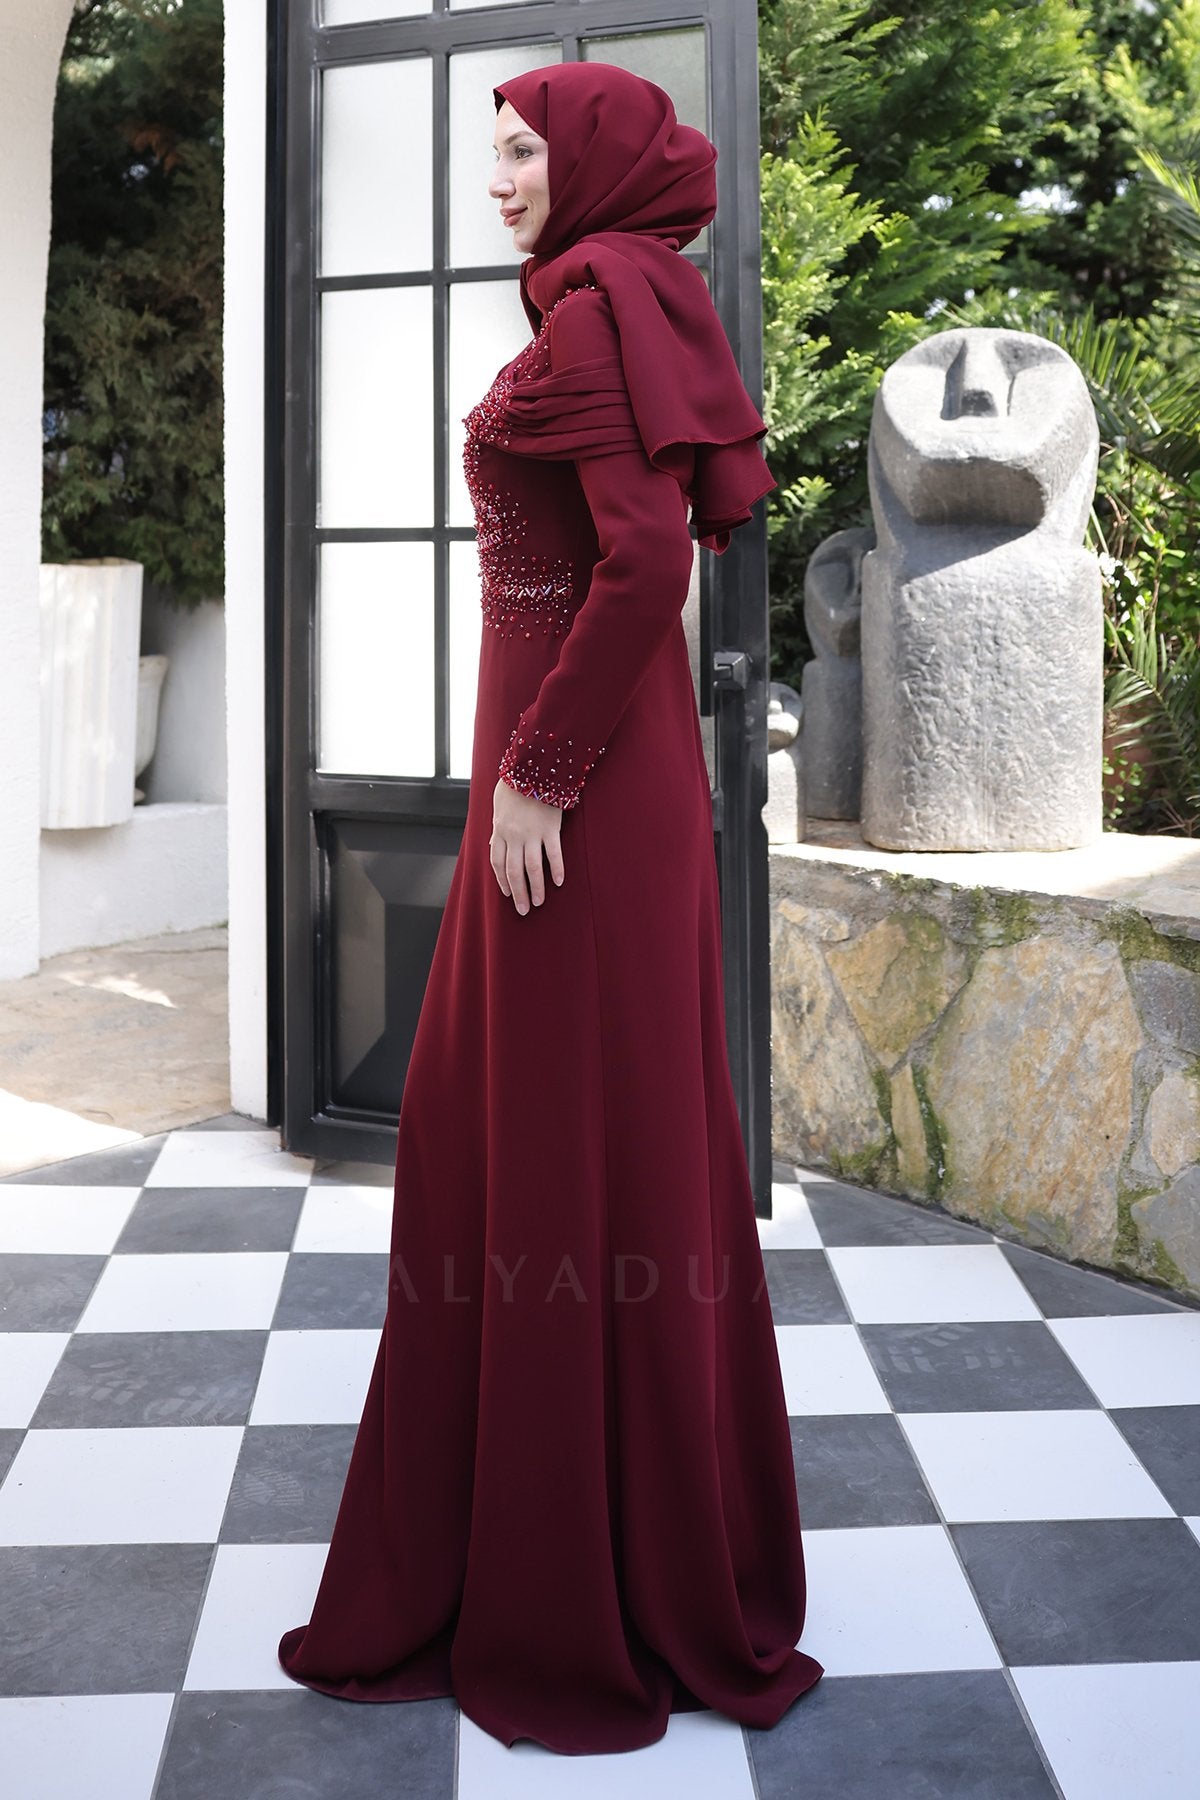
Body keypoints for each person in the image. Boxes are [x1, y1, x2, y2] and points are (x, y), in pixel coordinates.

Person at [277, 58, 824, 1757]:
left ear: (586, 161)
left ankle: (585, 1576)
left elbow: (649, 562)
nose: (500, 177)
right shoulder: (609, 300)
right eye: (493, 153)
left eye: (524, 150)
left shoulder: (595, 316)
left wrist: (538, 771)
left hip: (575, 799)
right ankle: (572, 1537)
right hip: (583, 784)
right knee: (534, 1135)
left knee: (566, 1141)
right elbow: (634, 559)